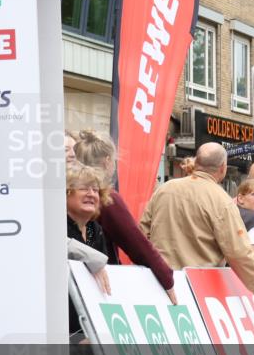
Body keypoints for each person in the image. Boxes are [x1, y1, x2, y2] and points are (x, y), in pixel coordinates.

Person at [139, 143, 254, 306]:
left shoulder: (165, 189)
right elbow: (239, 253)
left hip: (159, 282)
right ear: (223, 168)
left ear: (196, 162)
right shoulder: (222, 201)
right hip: (199, 288)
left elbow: (142, 233)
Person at [73, 129, 176, 304]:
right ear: (107, 161)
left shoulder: (72, 194)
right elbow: (138, 244)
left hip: (77, 281)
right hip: (97, 286)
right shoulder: (107, 198)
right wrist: (168, 280)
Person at [66, 165, 114, 338]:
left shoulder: (96, 230)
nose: (91, 194)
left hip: (91, 323)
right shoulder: (57, 225)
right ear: (66, 192)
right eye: (84, 188)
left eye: (95, 190)